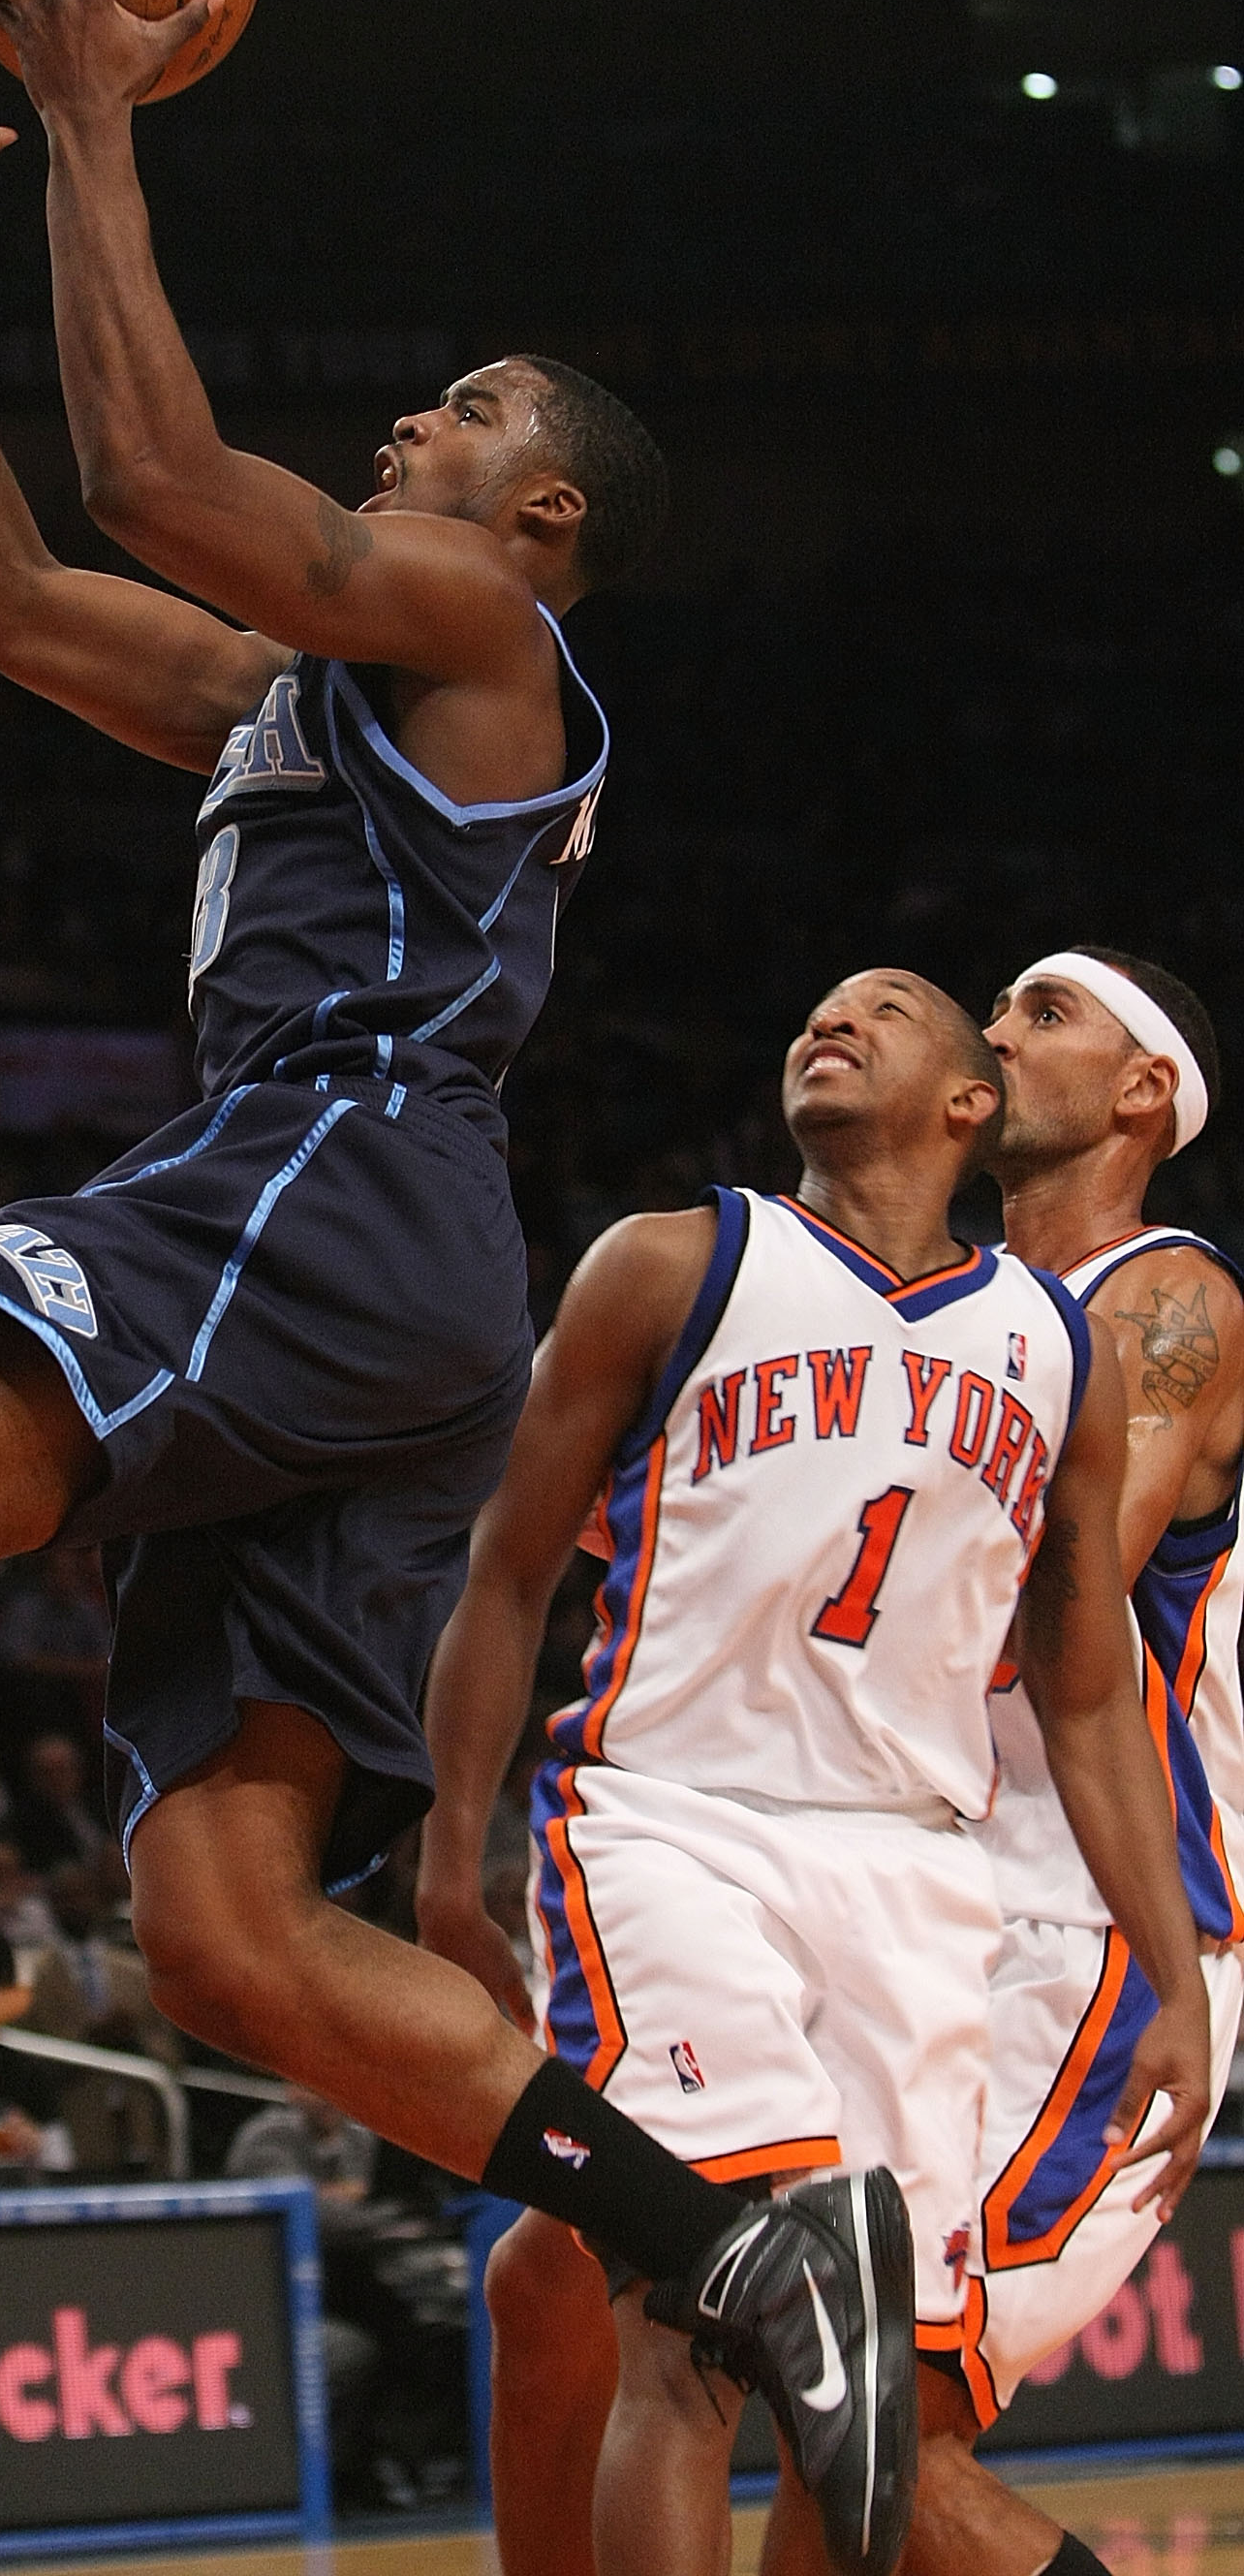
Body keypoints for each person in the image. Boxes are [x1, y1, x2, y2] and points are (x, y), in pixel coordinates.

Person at [0, 0, 918, 2575]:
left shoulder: (484, 637)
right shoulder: (297, 692)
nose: (413, 417)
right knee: (213, 1938)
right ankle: (732, 2243)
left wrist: (84, 113)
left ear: (535, 512)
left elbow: (165, 480)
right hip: (385, 1274)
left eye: (458, 406)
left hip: (335, 1172)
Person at [414, 969, 1210, 2576]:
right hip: (672, 1822)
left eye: (895, 1012)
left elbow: (1080, 1692)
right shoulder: (672, 1263)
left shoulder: (1078, 1341)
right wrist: (446, 1858)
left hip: (928, 1874)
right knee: (689, 2330)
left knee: (863, 2418)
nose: (831, 1020)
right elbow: (500, 1575)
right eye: (820, 1009)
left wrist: (1172, 1967)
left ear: (971, 1103)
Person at [763, 950, 1242, 2576]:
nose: (998, 1029)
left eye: (1045, 1012)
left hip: (1091, 1924)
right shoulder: (960, 1312)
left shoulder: (1165, 1303)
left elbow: (1052, 1596)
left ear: (1139, 1095)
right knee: (801, 2399)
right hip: (926, 1899)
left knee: (877, 2415)